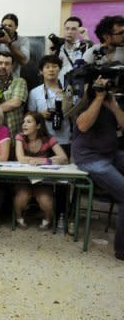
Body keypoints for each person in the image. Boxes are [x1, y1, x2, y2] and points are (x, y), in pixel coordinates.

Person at [72, 75, 124, 261]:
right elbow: (84, 125)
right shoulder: (85, 104)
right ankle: (122, 249)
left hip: (110, 154)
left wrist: (114, 106)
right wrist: (99, 98)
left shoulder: (112, 103)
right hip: (90, 158)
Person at [13, 112, 68, 230]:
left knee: (45, 199)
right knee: (22, 196)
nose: (24, 125)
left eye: (29, 122)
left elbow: (64, 158)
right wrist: (50, 160)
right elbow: (21, 159)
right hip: (24, 178)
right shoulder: (20, 137)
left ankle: (48, 218)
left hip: (42, 179)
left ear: (38, 126)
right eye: (24, 122)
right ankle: (18, 217)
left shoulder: (49, 139)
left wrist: (41, 161)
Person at [28, 55, 73, 155]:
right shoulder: (35, 92)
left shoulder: (68, 90)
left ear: (60, 69)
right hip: (43, 140)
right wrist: (40, 115)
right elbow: (30, 115)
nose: (51, 70)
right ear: (41, 71)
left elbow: (73, 113)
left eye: (54, 66)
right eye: (47, 67)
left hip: (64, 139)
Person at [54, 16, 91, 86]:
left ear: (79, 31)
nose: (69, 32)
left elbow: (94, 54)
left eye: (73, 29)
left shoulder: (84, 47)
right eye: (67, 29)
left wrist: (85, 37)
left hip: (78, 86)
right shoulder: (58, 47)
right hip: (59, 86)